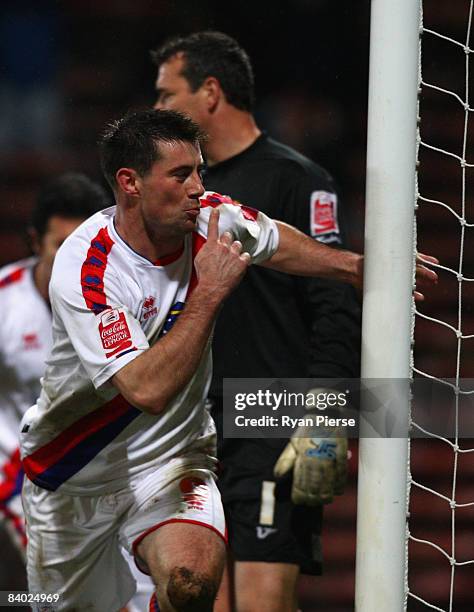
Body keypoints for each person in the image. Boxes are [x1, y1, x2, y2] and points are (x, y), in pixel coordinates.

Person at [19, 109, 435, 612]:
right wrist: (210, 290)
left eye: (199, 171)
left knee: (192, 584)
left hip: (170, 463)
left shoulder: (212, 217)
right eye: (180, 175)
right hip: (73, 473)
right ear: (130, 183)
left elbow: (277, 242)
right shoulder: (90, 267)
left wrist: (357, 269)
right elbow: (145, 390)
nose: (198, 187)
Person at [151, 31, 361, 611]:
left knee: (262, 602)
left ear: (210, 92)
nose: (159, 110)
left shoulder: (298, 180)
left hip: (271, 415)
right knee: (200, 600)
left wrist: (327, 415)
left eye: (168, 96)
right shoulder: (179, 191)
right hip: (195, 426)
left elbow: (334, 308)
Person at [0, 172, 153, 611]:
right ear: (34, 241)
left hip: (108, 468)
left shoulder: (121, 298)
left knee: (140, 590)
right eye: (58, 245)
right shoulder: (5, 303)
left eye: (78, 244)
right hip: (24, 473)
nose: (69, 258)